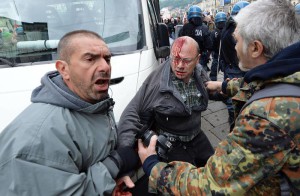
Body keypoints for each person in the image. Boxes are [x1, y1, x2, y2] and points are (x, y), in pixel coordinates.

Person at [138, 0, 300, 195]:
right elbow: (266, 84)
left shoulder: (264, 117)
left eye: (237, 40)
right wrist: (224, 85)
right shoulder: (290, 75)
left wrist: (152, 166)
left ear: (256, 48)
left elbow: (211, 185)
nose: (234, 45)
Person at [0, 30, 139, 195]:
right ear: (63, 69)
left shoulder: (94, 102)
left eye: (107, 58)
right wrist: (115, 163)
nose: (105, 66)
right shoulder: (37, 139)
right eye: (90, 59)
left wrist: (112, 183)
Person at [117, 36, 214, 195]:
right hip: (173, 144)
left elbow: (206, 89)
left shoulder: (199, 72)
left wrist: (222, 89)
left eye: (186, 60)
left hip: (197, 135)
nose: (180, 66)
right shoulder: (156, 82)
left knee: (215, 170)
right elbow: (131, 113)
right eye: (175, 59)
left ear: (197, 59)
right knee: (184, 187)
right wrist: (125, 156)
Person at [220, 1, 250, 131]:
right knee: (235, 101)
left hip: (231, 67)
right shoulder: (236, 32)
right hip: (236, 68)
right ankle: (235, 125)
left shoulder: (228, 28)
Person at [180, 5, 213, 72]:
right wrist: (207, 56)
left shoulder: (184, 28)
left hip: (187, 58)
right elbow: (209, 46)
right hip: (201, 58)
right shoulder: (204, 28)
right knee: (202, 79)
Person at [209, 11, 227, 81]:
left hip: (217, 56)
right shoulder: (228, 32)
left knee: (214, 74)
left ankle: (214, 87)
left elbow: (211, 45)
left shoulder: (213, 33)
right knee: (227, 74)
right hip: (226, 57)